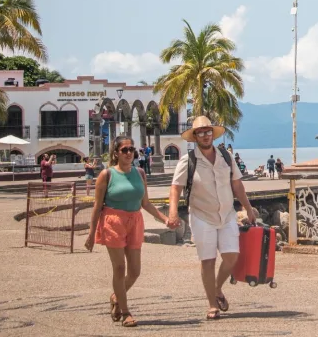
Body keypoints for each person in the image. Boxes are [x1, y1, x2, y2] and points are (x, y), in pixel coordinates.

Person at [168, 116, 256, 321]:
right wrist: (173, 212)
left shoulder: (226, 156)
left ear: (213, 134)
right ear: (195, 136)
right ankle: (211, 304)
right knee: (207, 260)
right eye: (201, 132)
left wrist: (248, 208)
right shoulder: (188, 161)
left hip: (226, 215)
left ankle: (216, 288)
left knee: (231, 256)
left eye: (208, 132)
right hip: (201, 216)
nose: (205, 135)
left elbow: (237, 185)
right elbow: (175, 188)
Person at [85, 136, 173, 328]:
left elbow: (146, 203)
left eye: (131, 149)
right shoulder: (106, 175)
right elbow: (97, 205)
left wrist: (165, 219)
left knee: (135, 271)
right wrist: (91, 233)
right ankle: (125, 312)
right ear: (116, 153)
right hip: (113, 221)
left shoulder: (140, 173)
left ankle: (116, 296)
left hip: (135, 221)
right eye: (124, 149)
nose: (128, 153)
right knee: (119, 268)